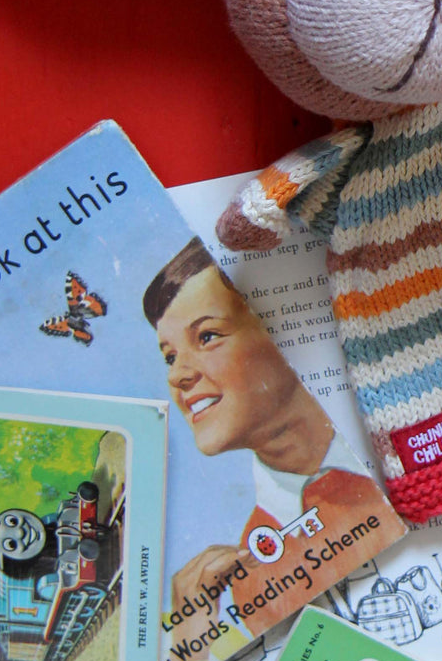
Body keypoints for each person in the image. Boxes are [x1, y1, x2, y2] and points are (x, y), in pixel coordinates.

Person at [143, 240, 405, 633]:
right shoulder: (249, 566)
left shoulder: (390, 438)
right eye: (169, 355)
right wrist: (193, 647)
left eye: (208, 336)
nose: (176, 375)